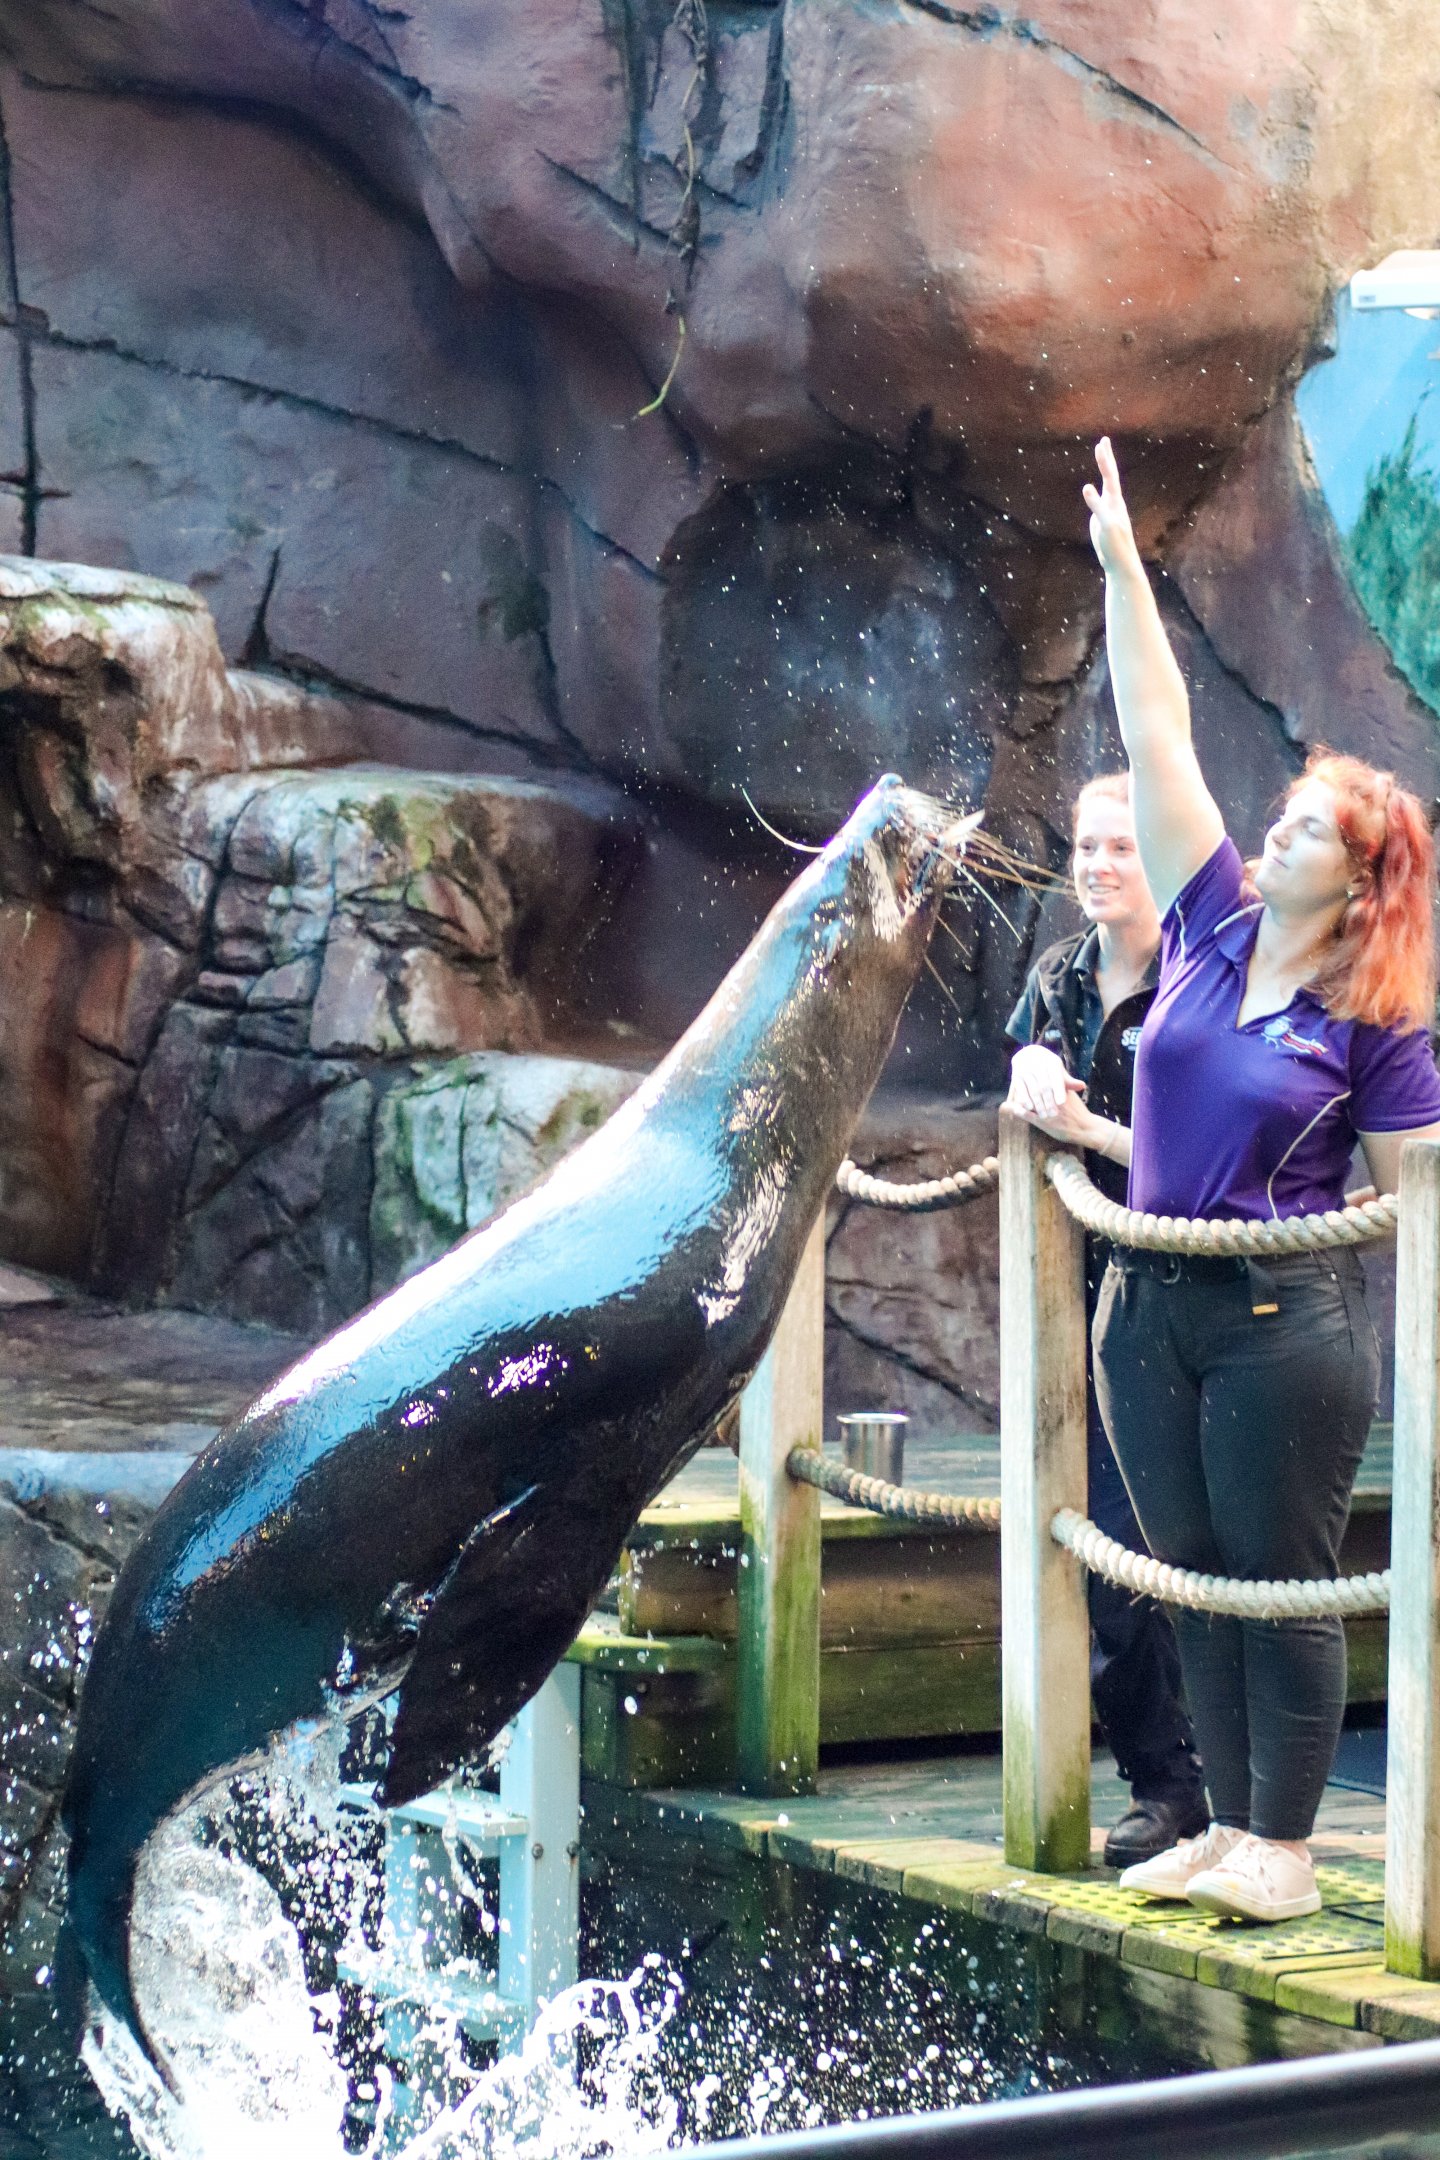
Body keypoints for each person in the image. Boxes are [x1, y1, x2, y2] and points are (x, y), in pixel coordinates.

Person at [1081, 434, 1440, 1922]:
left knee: (1277, 1581)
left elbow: (1415, 1186)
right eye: (1281, 814)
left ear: (1358, 884)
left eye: (1307, 826)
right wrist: (1120, 571)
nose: (1272, 825)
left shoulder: (1379, 1020)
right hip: (1149, 1304)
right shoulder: (1211, 927)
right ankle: (1227, 1828)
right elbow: (1157, 730)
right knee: (1195, 1572)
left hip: (1285, 1321)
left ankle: (1285, 1851)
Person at [1006, 774, 1207, 1866]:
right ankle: (1169, 1788)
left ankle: (1200, 1792)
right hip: (1079, 1296)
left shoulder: (1199, 978)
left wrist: (1091, 1126)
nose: (1098, 865)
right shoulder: (1058, 976)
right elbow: (1027, 1068)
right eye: (1086, 845)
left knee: (1161, 1553)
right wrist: (1031, 1061)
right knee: (1105, 1556)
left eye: (1122, 847)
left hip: (1192, 1294)